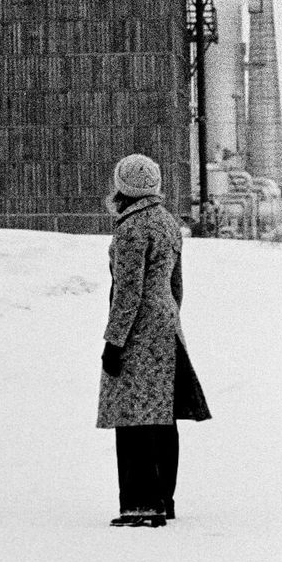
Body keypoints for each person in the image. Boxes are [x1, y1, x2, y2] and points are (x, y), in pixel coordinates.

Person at [97, 153, 211, 527]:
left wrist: (114, 343)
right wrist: (169, 319)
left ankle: (141, 505)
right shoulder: (167, 222)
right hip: (166, 323)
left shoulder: (131, 228)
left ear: (123, 186)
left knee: (133, 414)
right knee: (161, 414)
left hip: (139, 328)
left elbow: (128, 292)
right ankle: (164, 497)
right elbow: (176, 285)